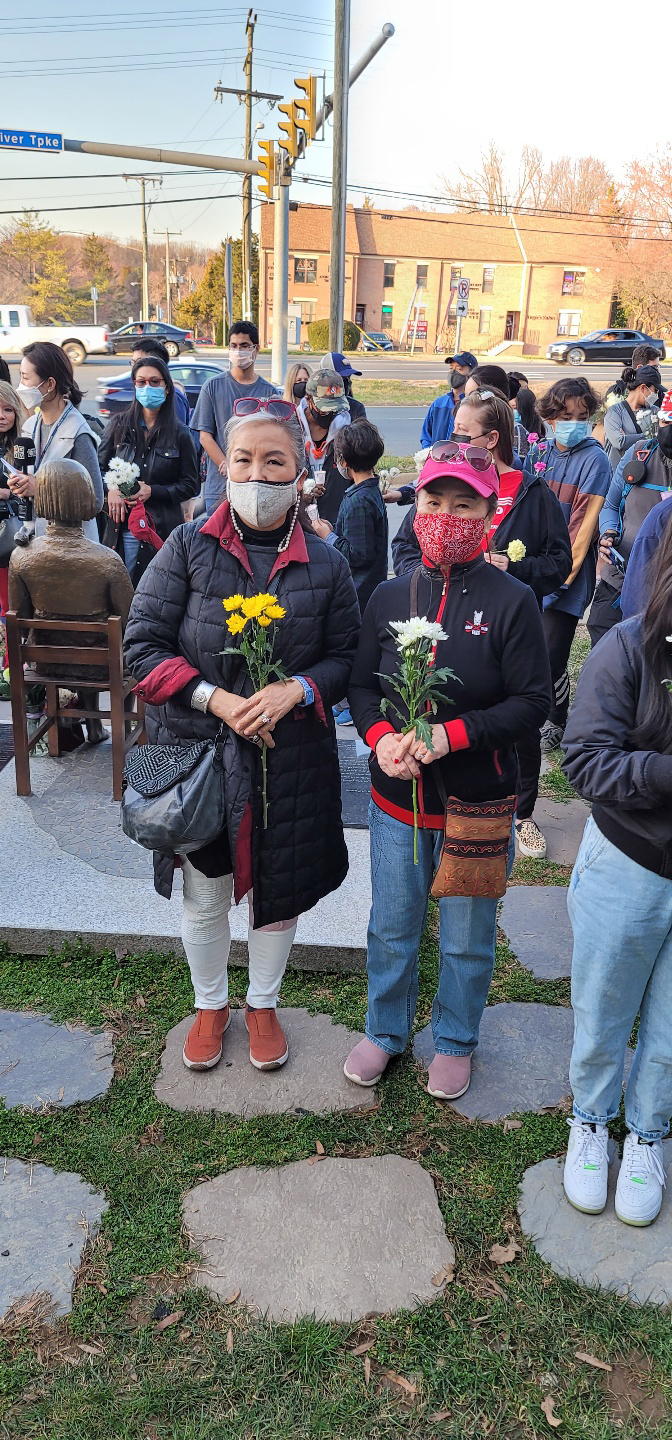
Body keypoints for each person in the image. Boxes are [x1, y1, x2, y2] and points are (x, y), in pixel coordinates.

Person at [124, 402, 360, 1074]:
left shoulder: (327, 563)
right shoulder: (188, 548)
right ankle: (209, 1005)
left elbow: (345, 656)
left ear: (300, 471)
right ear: (225, 466)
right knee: (205, 891)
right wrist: (217, 698)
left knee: (277, 891)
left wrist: (297, 690)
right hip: (199, 756)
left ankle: (262, 1002)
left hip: (288, 762)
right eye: (245, 460)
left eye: (274, 461)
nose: (257, 474)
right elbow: (140, 647)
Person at [343, 443, 551, 1098]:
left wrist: (452, 734)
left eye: (465, 504)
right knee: (392, 925)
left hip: (478, 804)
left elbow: (532, 704)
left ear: (490, 511)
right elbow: (359, 687)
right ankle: (386, 1031)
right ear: (416, 505)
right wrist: (381, 739)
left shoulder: (513, 601)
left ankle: (456, 1039)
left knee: (466, 937)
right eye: (435, 501)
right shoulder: (387, 595)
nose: (446, 515)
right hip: (397, 802)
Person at [393, 389, 571, 859]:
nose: (452, 443)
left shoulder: (533, 494)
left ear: (491, 440)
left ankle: (522, 813)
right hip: (434, 616)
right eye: (451, 435)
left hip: (505, 622)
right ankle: (429, 803)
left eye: (462, 435)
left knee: (514, 718)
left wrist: (510, 571)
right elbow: (406, 545)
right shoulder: (443, 484)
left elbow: (559, 562)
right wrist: (428, 576)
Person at [561, 520, 672, 1227]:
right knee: (605, 1007)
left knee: (670, 1026)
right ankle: (592, 1121)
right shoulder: (630, 646)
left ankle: (650, 1133)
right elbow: (585, 760)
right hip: (630, 861)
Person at [8, 458, 134, 744]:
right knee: (118, 646)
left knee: (85, 639)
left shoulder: (22, 556)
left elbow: (19, 616)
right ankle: (123, 731)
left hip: (47, 664)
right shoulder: (107, 561)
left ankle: (93, 728)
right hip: (103, 666)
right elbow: (130, 619)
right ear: (86, 496)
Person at [527, 378, 611, 752]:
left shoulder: (595, 461)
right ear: (549, 416)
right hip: (531, 571)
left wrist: (558, 579)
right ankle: (532, 712)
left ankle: (555, 719)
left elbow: (582, 530)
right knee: (527, 651)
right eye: (565, 416)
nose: (573, 423)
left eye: (581, 416)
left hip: (565, 578)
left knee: (552, 653)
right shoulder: (539, 452)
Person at [99, 354, 199, 583]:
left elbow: (190, 485)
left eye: (155, 382)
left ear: (166, 387)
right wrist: (110, 491)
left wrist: (153, 491)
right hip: (121, 528)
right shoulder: (118, 426)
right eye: (141, 382)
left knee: (155, 592)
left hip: (160, 529)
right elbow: (98, 470)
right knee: (121, 594)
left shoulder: (180, 433)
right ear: (134, 385)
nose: (147, 387)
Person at [587, 389, 672, 647]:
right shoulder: (638, 454)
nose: (669, 428)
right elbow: (610, 505)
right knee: (606, 654)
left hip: (664, 593)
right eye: (666, 421)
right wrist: (608, 532)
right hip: (619, 581)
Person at [10, 342, 103, 543]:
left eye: (26, 378)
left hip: (71, 550)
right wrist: (19, 486)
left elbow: (94, 502)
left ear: (50, 384)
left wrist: (41, 490)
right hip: (35, 541)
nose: (21, 386)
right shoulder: (30, 425)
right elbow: (30, 482)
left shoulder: (78, 431)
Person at [190, 321, 278, 514]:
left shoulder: (269, 392)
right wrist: (228, 466)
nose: (238, 351)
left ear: (256, 349)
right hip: (219, 488)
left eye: (244, 346)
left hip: (256, 485)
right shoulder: (212, 387)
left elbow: (273, 440)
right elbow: (205, 436)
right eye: (234, 346)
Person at [313, 417, 388, 613]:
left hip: (359, 593)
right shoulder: (369, 490)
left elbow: (358, 554)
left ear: (343, 460)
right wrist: (334, 531)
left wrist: (326, 536)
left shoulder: (359, 501)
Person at [296, 367, 351, 525]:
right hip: (299, 522)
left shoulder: (345, 428)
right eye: (325, 409)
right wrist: (301, 495)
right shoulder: (291, 427)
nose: (330, 414)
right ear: (308, 400)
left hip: (334, 521)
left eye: (335, 409)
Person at [603, 365, 661, 471]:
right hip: (619, 474)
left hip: (646, 475)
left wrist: (630, 437)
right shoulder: (615, 411)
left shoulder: (655, 411)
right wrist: (650, 435)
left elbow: (663, 438)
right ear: (643, 388)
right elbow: (619, 442)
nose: (657, 395)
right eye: (655, 391)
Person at [0, 381, 26, 614]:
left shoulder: (22, 447)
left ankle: (9, 651)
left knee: (10, 607)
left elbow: (33, 497)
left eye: (8, 409)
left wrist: (7, 493)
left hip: (10, 538)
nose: (2, 416)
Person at [130, 336, 190, 425]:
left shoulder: (174, 398)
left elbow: (177, 434)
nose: (135, 367)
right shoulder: (142, 393)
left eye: (139, 362)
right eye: (132, 363)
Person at [420, 368, 467, 447]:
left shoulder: (475, 406)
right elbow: (426, 435)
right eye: (451, 367)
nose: (454, 372)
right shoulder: (438, 404)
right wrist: (429, 453)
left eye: (459, 368)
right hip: (437, 457)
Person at [322, 352, 367, 421]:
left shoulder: (356, 408)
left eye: (348, 377)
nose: (347, 382)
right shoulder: (317, 409)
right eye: (342, 378)